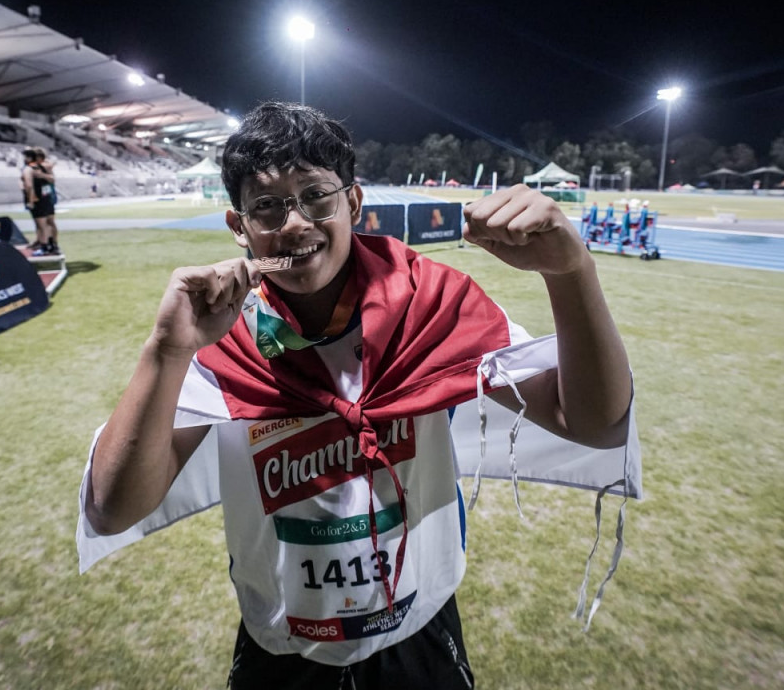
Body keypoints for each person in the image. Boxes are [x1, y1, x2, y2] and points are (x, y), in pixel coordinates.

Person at [77, 101, 634, 688]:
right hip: (281, 646)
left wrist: (572, 275)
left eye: (315, 194)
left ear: (354, 203)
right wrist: (167, 351)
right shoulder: (221, 332)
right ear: (239, 227)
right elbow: (113, 509)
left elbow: (593, 421)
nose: (293, 223)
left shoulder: (431, 302)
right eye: (266, 205)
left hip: (419, 631)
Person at [21, 147, 60, 255]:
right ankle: (50, 245)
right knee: (47, 223)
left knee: (43, 224)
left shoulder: (32, 168)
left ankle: (46, 246)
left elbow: (29, 185)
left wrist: (30, 200)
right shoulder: (42, 167)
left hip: (40, 198)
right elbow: (52, 177)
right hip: (46, 197)